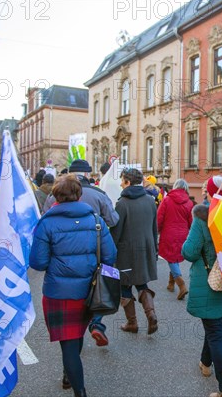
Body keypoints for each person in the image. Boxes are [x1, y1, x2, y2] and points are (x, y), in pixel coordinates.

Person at [29, 175, 117, 397]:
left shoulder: (46, 222)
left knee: (68, 342)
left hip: (59, 293)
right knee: (77, 335)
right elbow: (111, 255)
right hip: (89, 290)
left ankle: (78, 389)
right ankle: (71, 376)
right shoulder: (96, 220)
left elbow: (38, 262)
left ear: (55, 196)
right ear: (79, 194)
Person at [43, 159, 119, 347]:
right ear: (86, 174)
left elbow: (43, 221)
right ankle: (96, 324)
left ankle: (72, 352)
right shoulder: (99, 194)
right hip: (94, 258)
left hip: (60, 270)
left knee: (70, 321)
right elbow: (113, 219)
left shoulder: (54, 196)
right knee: (99, 291)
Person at [182, 204, 222, 397]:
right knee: (213, 323)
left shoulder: (202, 218)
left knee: (215, 333)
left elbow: (189, 252)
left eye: (207, 187)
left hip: (207, 281)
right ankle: (205, 363)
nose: (203, 189)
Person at [112, 168, 159, 335]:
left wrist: (110, 253)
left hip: (126, 252)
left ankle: (132, 323)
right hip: (146, 249)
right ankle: (151, 314)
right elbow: (155, 228)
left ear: (128, 182)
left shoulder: (122, 203)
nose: (120, 183)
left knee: (125, 286)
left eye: (122, 180)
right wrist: (155, 249)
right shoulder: (149, 200)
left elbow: (116, 233)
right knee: (142, 283)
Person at [158, 178, 194, 299]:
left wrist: (157, 230)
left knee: (171, 258)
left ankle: (181, 284)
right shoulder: (189, 202)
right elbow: (191, 221)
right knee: (174, 257)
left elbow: (160, 217)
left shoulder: (167, 200)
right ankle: (171, 284)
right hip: (183, 234)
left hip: (169, 233)